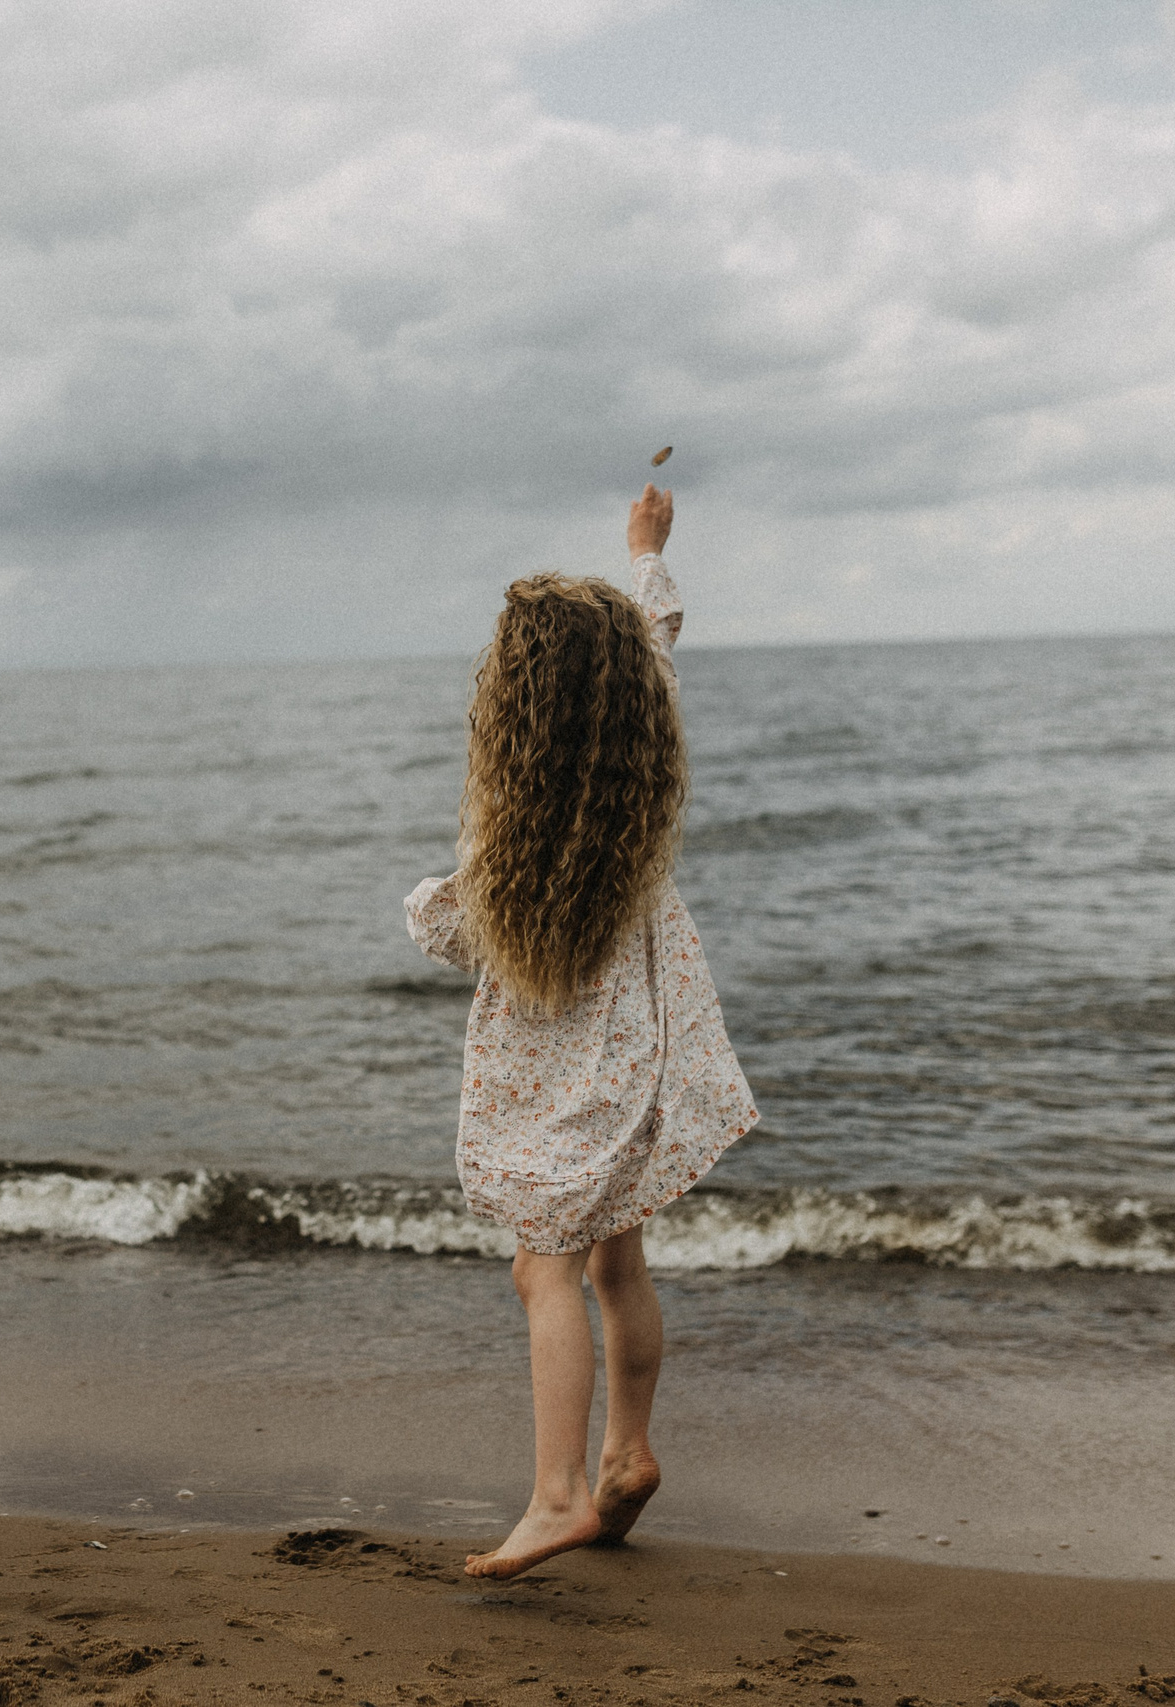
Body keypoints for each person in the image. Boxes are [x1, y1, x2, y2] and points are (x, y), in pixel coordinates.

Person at [404, 485, 758, 1580]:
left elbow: (446, 933)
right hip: (655, 1030)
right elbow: (652, 636)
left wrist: (423, 899)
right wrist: (644, 552)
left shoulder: (520, 831)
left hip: (570, 1059)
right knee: (616, 1254)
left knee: (542, 1267)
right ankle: (627, 1451)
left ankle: (557, 1493)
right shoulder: (636, 769)